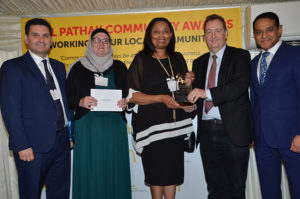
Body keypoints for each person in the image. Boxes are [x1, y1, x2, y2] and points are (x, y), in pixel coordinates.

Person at [0, 18, 74, 199]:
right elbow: (10, 108)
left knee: (60, 193)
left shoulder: (58, 66)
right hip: (32, 146)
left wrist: (70, 135)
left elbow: (64, 102)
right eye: (36, 35)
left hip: (62, 142)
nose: (41, 40)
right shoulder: (12, 67)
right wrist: (21, 144)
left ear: (51, 39)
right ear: (26, 38)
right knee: (30, 194)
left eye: (45, 35)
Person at [127, 17, 194, 199]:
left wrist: (187, 87)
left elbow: (181, 95)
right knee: (156, 177)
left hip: (175, 130)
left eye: (165, 31)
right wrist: (161, 98)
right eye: (156, 31)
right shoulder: (142, 60)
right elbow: (131, 96)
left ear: (171, 34)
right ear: (150, 35)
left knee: (172, 176)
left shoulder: (177, 58)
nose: (161, 35)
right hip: (152, 132)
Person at [187, 14, 253, 199]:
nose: (213, 35)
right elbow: (197, 98)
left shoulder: (240, 56)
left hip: (233, 131)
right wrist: (189, 91)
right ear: (204, 36)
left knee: (236, 187)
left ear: (226, 33)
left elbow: (238, 87)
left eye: (217, 31)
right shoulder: (198, 62)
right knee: (214, 188)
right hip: (207, 132)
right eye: (208, 32)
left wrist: (205, 92)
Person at [66, 28, 131, 199]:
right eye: (97, 39)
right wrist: (80, 101)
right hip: (88, 128)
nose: (101, 43)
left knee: (115, 170)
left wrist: (126, 102)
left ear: (110, 44)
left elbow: (128, 94)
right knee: (90, 171)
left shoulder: (120, 66)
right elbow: (67, 97)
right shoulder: (77, 67)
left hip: (114, 129)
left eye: (105, 40)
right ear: (90, 42)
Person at [250, 12, 300, 199]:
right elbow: (255, 100)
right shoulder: (254, 62)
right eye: (258, 32)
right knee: (269, 192)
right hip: (262, 140)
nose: (264, 35)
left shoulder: (295, 54)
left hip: (292, 138)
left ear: (279, 30)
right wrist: (254, 133)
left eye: (269, 30)